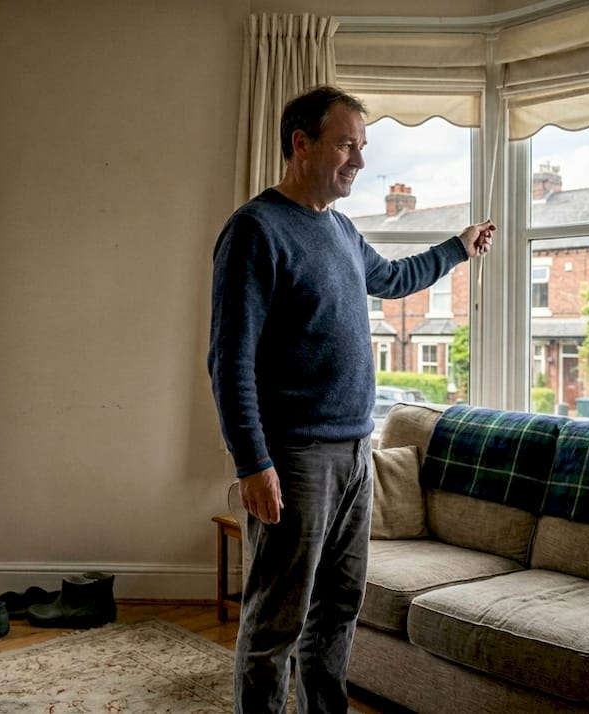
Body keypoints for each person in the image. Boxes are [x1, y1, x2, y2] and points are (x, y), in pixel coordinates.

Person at [207, 85, 495, 714]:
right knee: (277, 622)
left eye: (362, 147)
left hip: (355, 452)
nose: (359, 161)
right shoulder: (255, 229)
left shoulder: (340, 229)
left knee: (338, 611)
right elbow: (230, 361)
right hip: (295, 456)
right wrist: (252, 463)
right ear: (301, 143)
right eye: (346, 144)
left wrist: (457, 246)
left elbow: (393, 279)